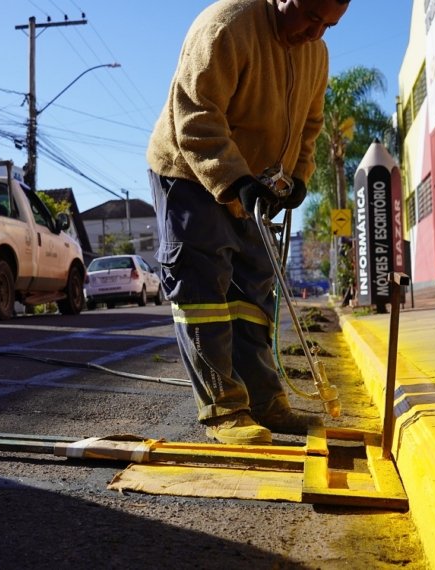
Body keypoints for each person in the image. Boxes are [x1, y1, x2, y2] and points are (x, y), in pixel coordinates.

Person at [147, 0, 351, 445]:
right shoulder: (226, 26)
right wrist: (233, 179)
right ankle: (223, 409)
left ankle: (264, 402)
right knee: (203, 287)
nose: (315, 33)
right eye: (310, 16)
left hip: (256, 182)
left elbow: (310, 123)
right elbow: (195, 115)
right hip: (190, 170)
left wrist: (298, 176)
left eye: (328, 25)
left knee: (252, 292)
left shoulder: (315, 51)